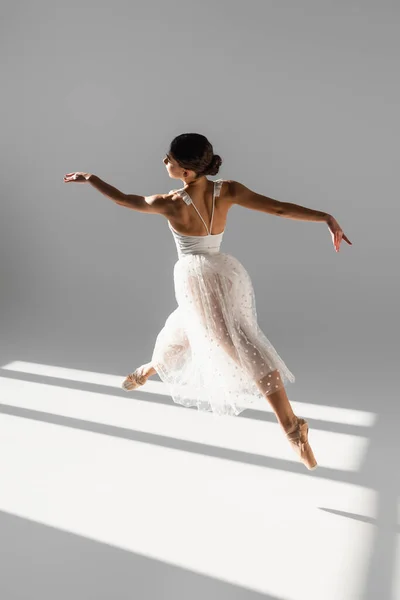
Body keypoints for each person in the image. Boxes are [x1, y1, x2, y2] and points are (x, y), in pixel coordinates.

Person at [63, 133, 352, 470]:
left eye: (170, 159)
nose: (164, 162)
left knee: (240, 345)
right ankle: (147, 370)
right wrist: (325, 217)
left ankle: (292, 427)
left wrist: (91, 179)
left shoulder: (170, 202)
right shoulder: (226, 190)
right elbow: (278, 208)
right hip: (225, 272)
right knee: (189, 327)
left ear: (187, 172)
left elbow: (126, 200)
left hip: (195, 278)